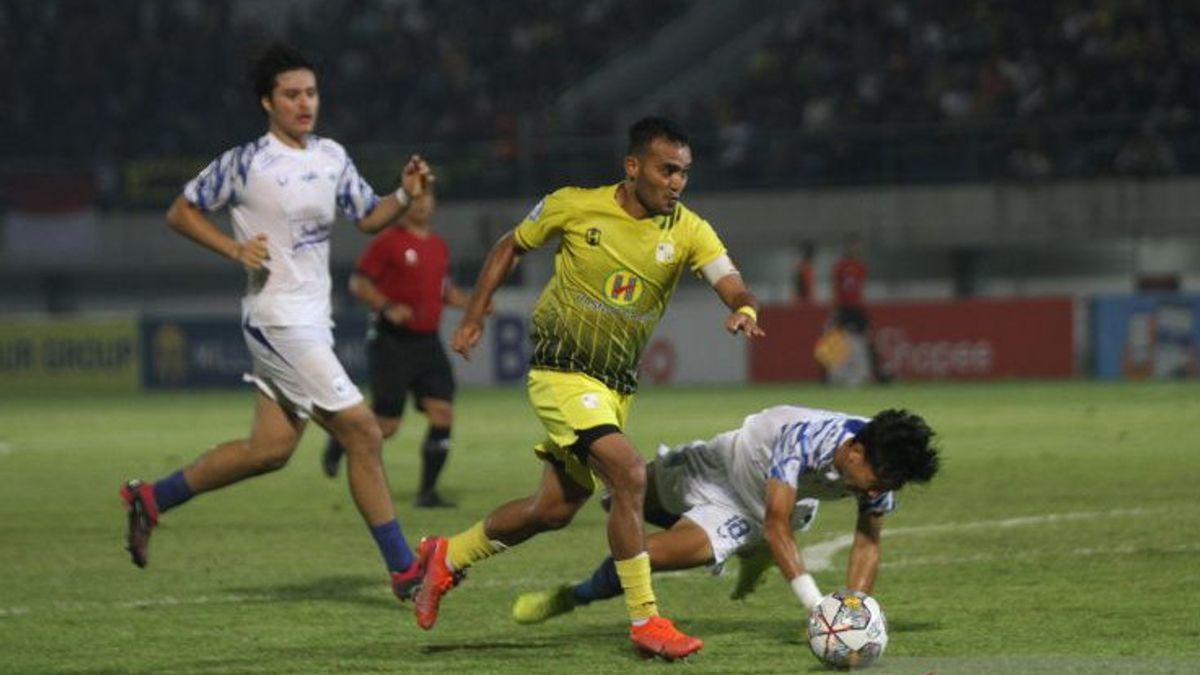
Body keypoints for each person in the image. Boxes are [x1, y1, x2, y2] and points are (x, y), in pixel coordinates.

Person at [411, 117, 766, 660]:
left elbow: (732, 282)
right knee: (629, 473)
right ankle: (646, 620)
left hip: (614, 389)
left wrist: (744, 309)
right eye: (666, 170)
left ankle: (448, 556)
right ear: (633, 166)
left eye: (683, 172)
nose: (676, 182)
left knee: (551, 510)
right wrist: (475, 314)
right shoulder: (574, 205)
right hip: (561, 371)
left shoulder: (690, 230)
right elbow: (509, 245)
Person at [118, 44, 434, 604]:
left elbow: (368, 216)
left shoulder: (331, 155)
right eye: (291, 95)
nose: (304, 103)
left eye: (310, 93)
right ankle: (406, 571)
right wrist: (233, 249)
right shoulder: (246, 163)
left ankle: (151, 498)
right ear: (268, 102)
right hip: (278, 319)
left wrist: (404, 194)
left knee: (269, 449)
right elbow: (181, 211)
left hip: (312, 320)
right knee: (362, 431)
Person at [510, 406, 939, 625]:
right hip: (718, 461)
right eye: (877, 481)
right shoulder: (807, 440)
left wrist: (849, 613)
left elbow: (867, 540)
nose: (877, 492)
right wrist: (818, 606)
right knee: (621, 498)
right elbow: (777, 525)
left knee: (642, 555)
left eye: (888, 486)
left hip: (750, 512)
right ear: (856, 452)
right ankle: (759, 552)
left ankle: (573, 596)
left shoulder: (881, 467)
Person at [321, 185, 474, 509]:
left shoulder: (438, 246)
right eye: (415, 199)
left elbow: (444, 291)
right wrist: (388, 306)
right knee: (387, 426)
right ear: (403, 205)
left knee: (442, 412)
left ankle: (427, 493)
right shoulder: (388, 242)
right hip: (392, 341)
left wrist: (475, 304)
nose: (422, 204)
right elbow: (359, 283)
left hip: (428, 342)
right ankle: (341, 439)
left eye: (427, 197)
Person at [830, 232, 887, 382]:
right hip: (843, 308)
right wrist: (835, 309)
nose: (855, 249)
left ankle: (876, 373)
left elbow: (861, 289)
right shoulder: (840, 267)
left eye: (857, 246)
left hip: (857, 307)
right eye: (853, 246)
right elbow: (836, 289)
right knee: (835, 340)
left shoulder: (860, 266)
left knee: (869, 339)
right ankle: (832, 375)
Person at [792, 240, 816, 304]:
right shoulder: (801, 267)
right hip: (802, 300)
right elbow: (799, 284)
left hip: (807, 299)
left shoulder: (808, 266)